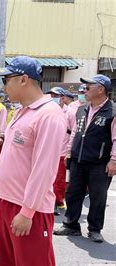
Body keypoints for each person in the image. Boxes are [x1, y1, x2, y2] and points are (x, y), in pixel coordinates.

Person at [0, 56, 66, 266]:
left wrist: (27, 212)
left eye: (7, 80)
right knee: (6, 260)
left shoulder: (49, 115)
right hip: (8, 202)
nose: (4, 86)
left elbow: (44, 169)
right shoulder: (21, 112)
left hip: (28, 209)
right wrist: (2, 195)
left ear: (23, 80)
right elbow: (16, 160)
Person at [54, 74, 115, 243]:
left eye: (88, 88)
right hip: (78, 159)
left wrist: (114, 160)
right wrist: (69, 151)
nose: (84, 91)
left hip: (100, 162)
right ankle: (71, 225)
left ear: (101, 89)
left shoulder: (112, 111)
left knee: (97, 196)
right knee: (73, 193)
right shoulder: (82, 109)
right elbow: (75, 131)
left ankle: (94, 229)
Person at [46, 87, 77, 216]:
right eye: (51, 94)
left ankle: (56, 202)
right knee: (47, 178)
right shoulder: (46, 111)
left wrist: (70, 150)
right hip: (47, 151)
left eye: (56, 95)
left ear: (63, 98)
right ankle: (52, 201)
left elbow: (74, 132)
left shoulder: (70, 112)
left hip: (62, 151)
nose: (53, 97)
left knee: (59, 180)